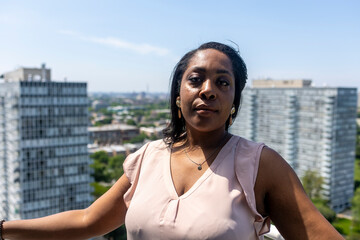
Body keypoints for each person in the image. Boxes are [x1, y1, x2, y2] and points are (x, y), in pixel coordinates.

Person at [1, 42, 343, 240]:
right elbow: (87, 221)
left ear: (234, 102)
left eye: (223, 83)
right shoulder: (147, 158)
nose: (208, 89)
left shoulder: (259, 165)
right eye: (196, 79)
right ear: (178, 96)